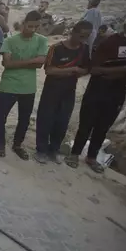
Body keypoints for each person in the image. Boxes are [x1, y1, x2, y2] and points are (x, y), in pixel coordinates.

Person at [66, 12, 126, 173]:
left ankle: (91, 157)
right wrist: (123, 70)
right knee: (86, 123)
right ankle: (75, 153)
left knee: (103, 126)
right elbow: (95, 69)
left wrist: (114, 72)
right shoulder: (110, 42)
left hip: (117, 92)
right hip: (97, 90)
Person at [35, 21, 92, 165]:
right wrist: (71, 70)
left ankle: (53, 149)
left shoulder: (84, 50)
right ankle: (41, 150)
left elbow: (86, 69)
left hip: (69, 90)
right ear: (73, 32)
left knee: (62, 121)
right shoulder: (56, 48)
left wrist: (78, 72)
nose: (83, 39)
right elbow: (49, 70)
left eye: (86, 36)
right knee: (46, 119)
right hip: (52, 89)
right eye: (81, 35)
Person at [0, 10, 48, 160]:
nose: (33, 30)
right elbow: (6, 63)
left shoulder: (42, 40)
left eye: (36, 27)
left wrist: (16, 63)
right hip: (8, 85)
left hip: (28, 87)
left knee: (24, 119)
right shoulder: (10, 41)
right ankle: (0, 144)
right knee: (1, 117)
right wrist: (31, 61)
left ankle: (17, 144)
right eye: (30, 26)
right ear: (24, 24)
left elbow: (40, 63)